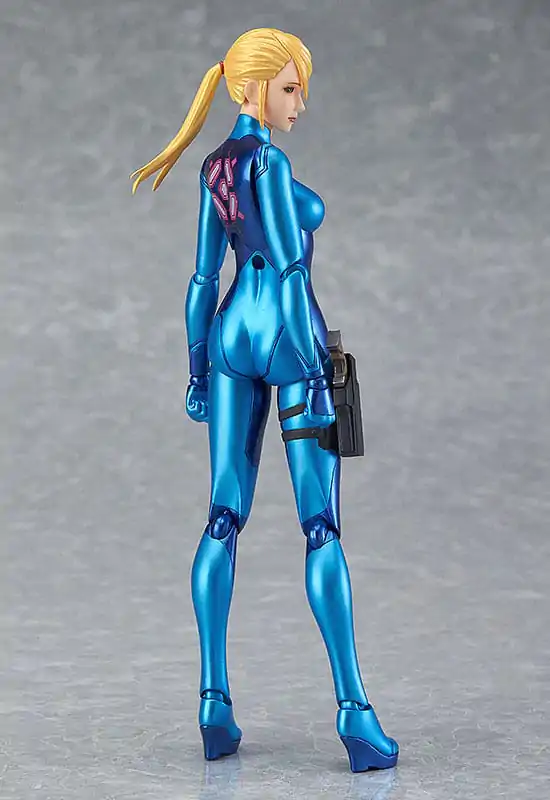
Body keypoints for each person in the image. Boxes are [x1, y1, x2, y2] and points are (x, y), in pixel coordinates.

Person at [131, 27, 398, 773]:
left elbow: (200, 280)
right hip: (286, 341)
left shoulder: (214, 167)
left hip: (228, 340)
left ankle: (213, 703)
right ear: (251, 89)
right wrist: (317, 370)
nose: (299, 103)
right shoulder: (270, 164)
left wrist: (196, 371)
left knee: (223, 515)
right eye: (289, 88)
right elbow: (288, 270)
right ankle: (355, 714)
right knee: (320, 526)